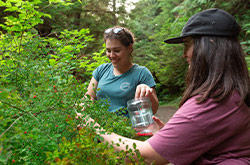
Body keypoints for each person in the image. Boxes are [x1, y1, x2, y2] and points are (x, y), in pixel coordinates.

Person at [83, 8, 250, 164]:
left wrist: (92, 127)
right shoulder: (230, 94)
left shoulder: (211, 102)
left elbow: (147, 156)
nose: (184, 54)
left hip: (125, 133)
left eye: (187, 45)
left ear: (209, 46)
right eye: (108, 50)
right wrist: (167, 136)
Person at [83, 26, 159, 115]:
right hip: (98, 126)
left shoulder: (141, 73)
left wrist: (148, 93)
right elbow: (89, 97)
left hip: (128, 127)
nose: (112, 55)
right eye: (108, 50)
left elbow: (153, 110)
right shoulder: (101, 70)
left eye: (117, 50)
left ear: (129, 48)